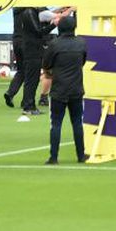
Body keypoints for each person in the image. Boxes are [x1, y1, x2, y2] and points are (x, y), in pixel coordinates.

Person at [43, 14, 88, 165]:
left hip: (58, 89)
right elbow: (83, 61)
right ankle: (81, 155)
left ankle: (53, 157)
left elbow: (47, 64)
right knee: (77, 123)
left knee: (56, 124)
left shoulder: (54, 44)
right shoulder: (81, 43)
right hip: (76, 89)